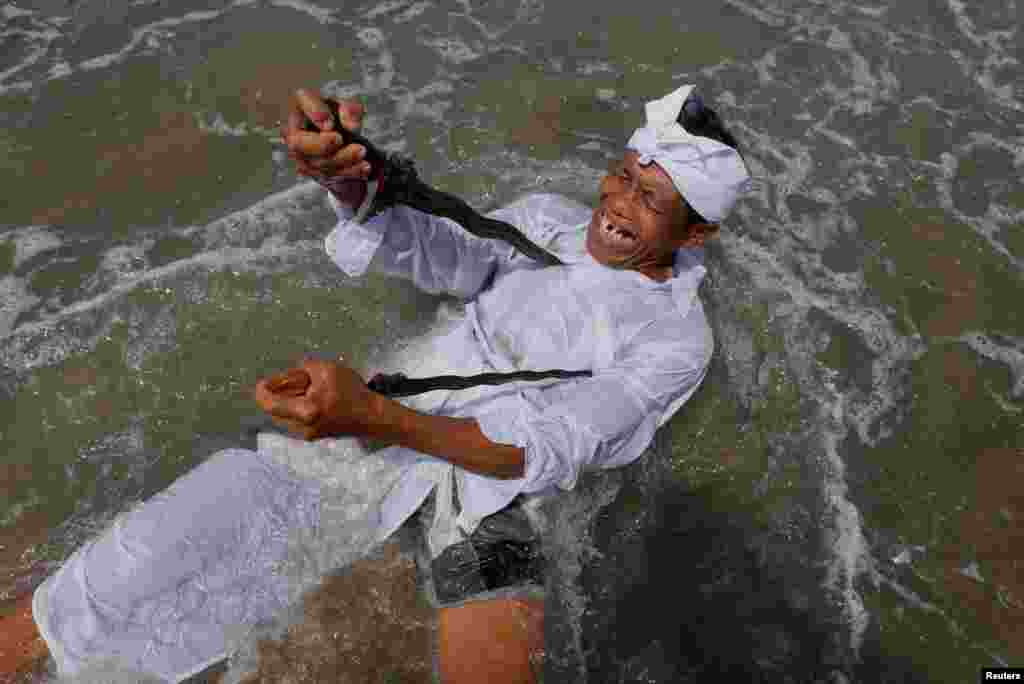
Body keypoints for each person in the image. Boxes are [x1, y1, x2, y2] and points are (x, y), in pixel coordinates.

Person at [27, 83, 752, 684]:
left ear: (696, 235)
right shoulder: (546, 222)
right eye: (623, 174)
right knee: (114, 579)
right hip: (391, 415)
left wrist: (370, 417)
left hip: (492, 501)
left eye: (650, 199)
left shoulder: (676, 339)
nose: (618, 202)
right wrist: (346, 179)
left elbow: (540, 453)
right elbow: (441, 253)